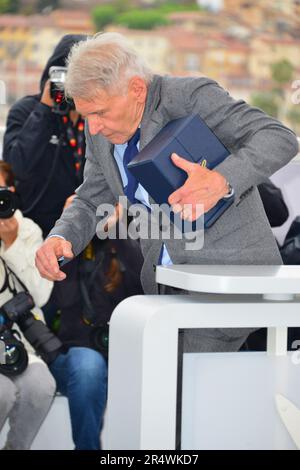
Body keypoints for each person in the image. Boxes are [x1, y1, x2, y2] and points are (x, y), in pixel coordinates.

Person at [36, 32, 299, 356]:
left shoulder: (189, 97)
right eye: (85, 114)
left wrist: (221, 180)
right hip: (164, 285)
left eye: (100, 113)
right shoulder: (101, 131)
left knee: (178, 392)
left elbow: (279, 137)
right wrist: (62, 237)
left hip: (230, 280)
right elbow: (92, 196)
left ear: (136, 89)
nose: (92, 128)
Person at [48, 235, 143, 450]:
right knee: (89, 366)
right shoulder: (69, 251)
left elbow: (145, 282)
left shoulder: (128, 245)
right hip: (75, 355)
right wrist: (70, 237)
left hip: (121, 355)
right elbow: (64, 299)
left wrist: (118, 231)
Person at [3, 34, 87, 238]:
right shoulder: (26, 111)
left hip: (82, 228)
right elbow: (17, 166)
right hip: (34, 228)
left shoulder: (94, 117)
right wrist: (45, 109)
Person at [0, 161, 55, 450]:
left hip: (18, 340)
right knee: (2, 391)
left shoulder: (28, 230)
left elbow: (40, 295)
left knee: (41, 385)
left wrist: (12, 245)